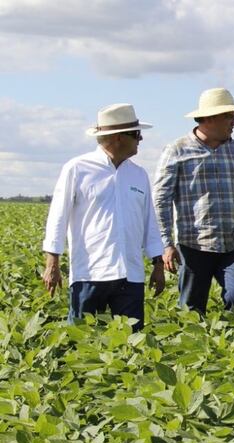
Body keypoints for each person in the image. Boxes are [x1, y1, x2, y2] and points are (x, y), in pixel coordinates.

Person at [42, 103, 165, 330]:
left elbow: (150, 223)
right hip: (90, 273)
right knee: (82, 341)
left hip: (131, 274)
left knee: (132, 345)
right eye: (136, 134)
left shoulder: (138, 175)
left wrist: (158, 263)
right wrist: (52, 264)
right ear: (118, 137)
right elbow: (57, 216)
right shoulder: (77, 168)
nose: (141, 139)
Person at [153, 88, 234, 314]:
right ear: (209, 118)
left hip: (233, 242)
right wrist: (166, 243)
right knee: (191, 310)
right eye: (230, 116)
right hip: (193, 244)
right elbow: (161, 199)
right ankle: (196, 347)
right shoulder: (177, 150)